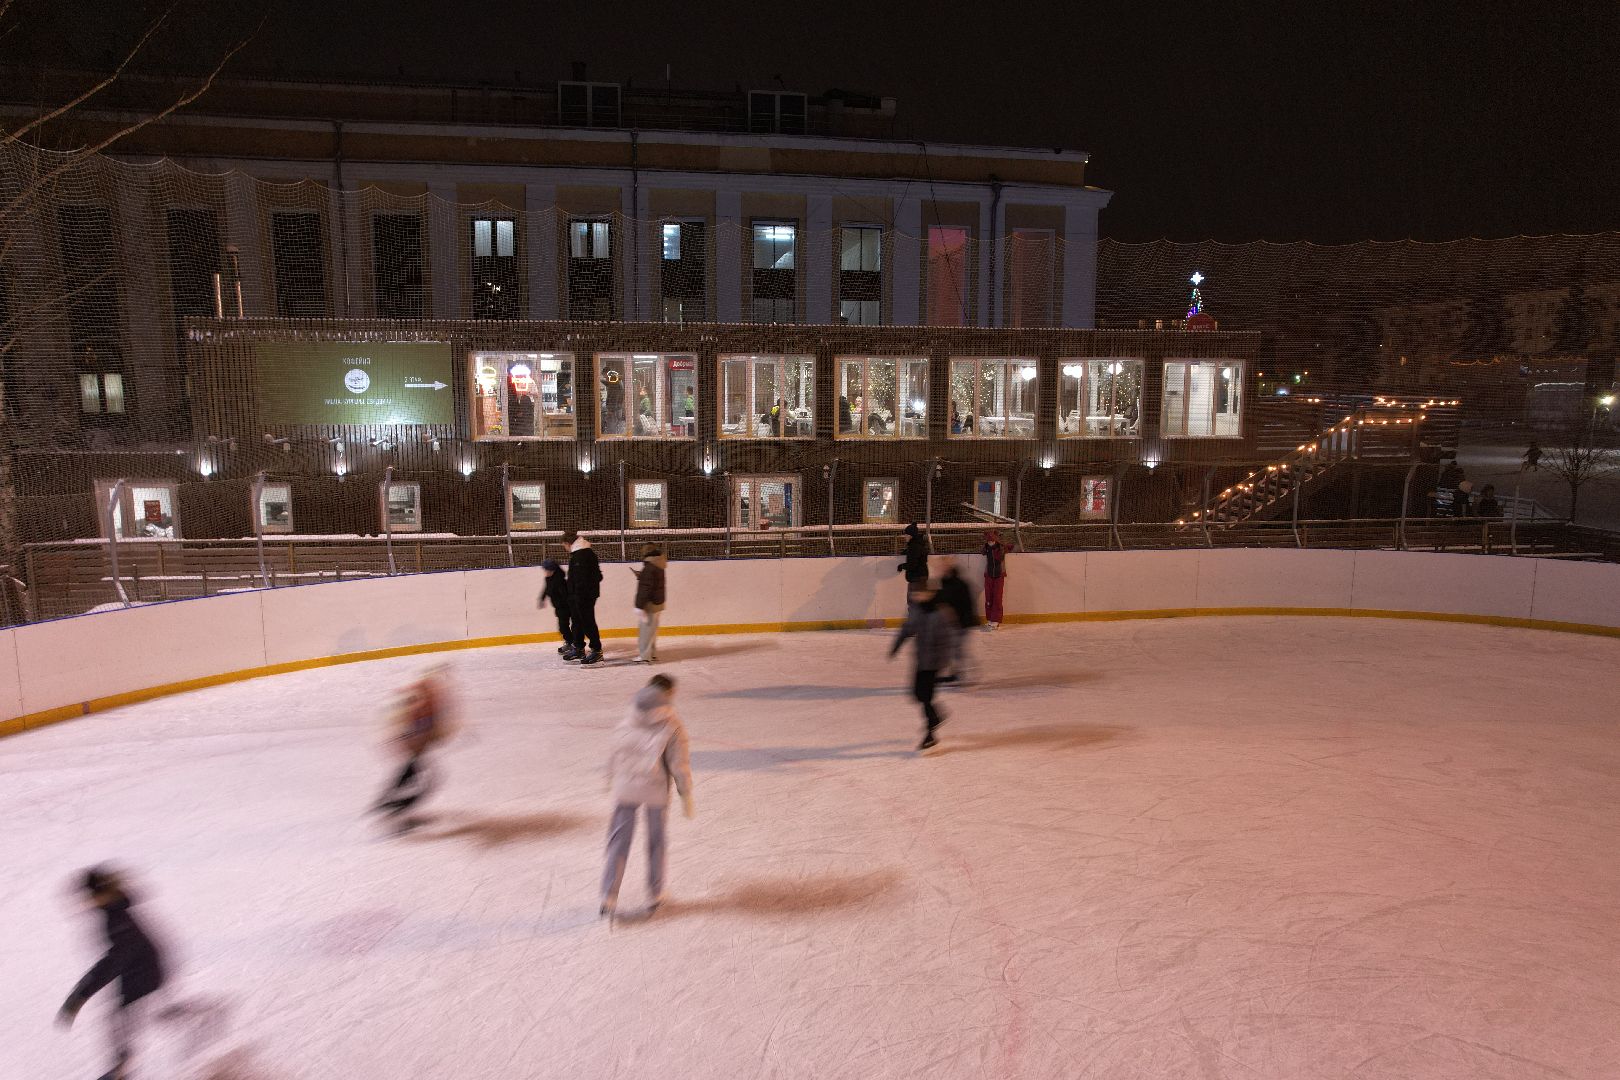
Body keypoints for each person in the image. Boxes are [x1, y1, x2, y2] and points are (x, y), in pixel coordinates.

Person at [58, 866, 169, 1080]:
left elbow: (112, 963)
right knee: (120, 1019)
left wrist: (80, 995)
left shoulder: (117, 919)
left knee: (122, 1019)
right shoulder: (114, 911)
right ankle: (119, 1070)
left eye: (90, 895)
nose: (86, 900)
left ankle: (119, 1072)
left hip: (143, 974)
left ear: (102, 893)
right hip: (139, 970)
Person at [601, 674, 694, 917]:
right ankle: (655, 893)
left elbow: (617, 746)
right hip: (655, 790)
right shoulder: (672, 721)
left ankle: (608, 896)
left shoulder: (631, 711)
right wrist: (686, 794)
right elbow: (679, 763)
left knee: (618, 841)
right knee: (656, 842)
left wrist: (609, 777)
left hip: (626, 787)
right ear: (669, 693)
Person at [371, 666, 455, 833]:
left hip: (410, 747)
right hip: (412, 747)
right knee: (422, 781)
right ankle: (393, 811)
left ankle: (387, 802)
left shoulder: (419, 696)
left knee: (410, 777)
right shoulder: (423, 702)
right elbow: (419, 727)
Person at [888, 587, 957, 753]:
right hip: (921, 662)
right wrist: (896, 646)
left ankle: (930, 733)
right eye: (915, 594)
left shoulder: (940, 615)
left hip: (933, 664)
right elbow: (907, 628)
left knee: (925, 696)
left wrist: (942, 664)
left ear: (928, 595)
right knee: (918, 695)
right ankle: (935, 718)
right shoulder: (917, 611)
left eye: (919, 594)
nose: (916, 596)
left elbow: (946, 643)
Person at [935, 562, 978, 684]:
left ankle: (963, 674)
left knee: (957, 650)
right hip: (955, 623)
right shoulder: (950, 584)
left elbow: (944, 597)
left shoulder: (958, 585)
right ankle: (956, 673)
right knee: (953, 649)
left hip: (962, 623)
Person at [565, 532, 604, 665]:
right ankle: (579, 647)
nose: (565, 548)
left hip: (584, 597)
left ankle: (596, 650)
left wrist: (581, 594)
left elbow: (593, 577)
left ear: (568, 543)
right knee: (576, 622)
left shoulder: (583, 554)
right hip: (576, 596)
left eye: (564, 545)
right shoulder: (577, 554)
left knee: (587, 622)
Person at [632, 544, 667, 664]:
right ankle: (651, 654)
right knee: (652, 631)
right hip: (658, 602)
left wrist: (639, 606)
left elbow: (645, 589)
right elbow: (653, 582)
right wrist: (642, 577)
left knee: (646, 631)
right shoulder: (658, 564)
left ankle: (645, 657)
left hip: (650, 604)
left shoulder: (649, 567)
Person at [538, 559, 572, 655]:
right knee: (563, 627)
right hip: (559, 607)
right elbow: (546, 589)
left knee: (564, 627)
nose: (545, 572)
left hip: (565, 607)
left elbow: (565, 595)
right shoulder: (549, 579)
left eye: (546, 570)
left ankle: (572, 643)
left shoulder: (559, 581)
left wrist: (565, 605)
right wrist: (542, 598)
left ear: (552, 570)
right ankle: (570, 642)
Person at [982, 530, 1008, 629]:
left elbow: (1010, 547)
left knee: (997, 598)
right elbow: (982, 552)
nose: (990, 543)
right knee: (988, 598)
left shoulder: (1001, 548)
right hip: (988, 575)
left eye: (992, 541)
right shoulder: (986, 547)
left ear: (996, 540)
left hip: (999, 575)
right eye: (989, 541)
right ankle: (989, 619)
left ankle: (996, 620)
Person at [897, 522, 929, 592]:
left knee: (915, 601)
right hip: (921, 577)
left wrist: (901, 566)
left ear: (911, 536)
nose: (905, 536)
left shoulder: (914, 547)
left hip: (916, 578)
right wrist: (906, 552)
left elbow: (912, 565)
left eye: (906, 535)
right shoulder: (918, 545)